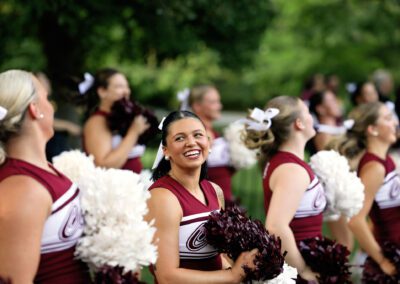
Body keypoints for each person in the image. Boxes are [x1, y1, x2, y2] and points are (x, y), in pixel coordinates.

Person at [146, 110, 257, 284]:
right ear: (165, 150)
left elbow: (217, 254)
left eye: (198, 135)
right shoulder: (163, 198)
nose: (191, 143)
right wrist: (231, 276)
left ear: (209, 142)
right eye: (179, 138)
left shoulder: (214, 190)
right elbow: (166, 276)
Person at [0, 70, 90, 283]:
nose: (52, 106)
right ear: (35, 109)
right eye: (47, 98)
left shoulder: (42, 169)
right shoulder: (23, 189)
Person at [244, 96, 326, 282]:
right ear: (299, 123)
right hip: (297, 264)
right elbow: (276, 226)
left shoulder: (284, 162)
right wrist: (303, 271)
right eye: (307, 112)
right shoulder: (292, 169)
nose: (312, 116)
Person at [331, 102, 399, 278]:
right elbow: (356, 220)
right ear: (373, 129)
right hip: (393, 257)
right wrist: (383, 260)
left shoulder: (385, 160)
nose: (395, 123)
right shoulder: (374, 167)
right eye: (388, 118)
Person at [80, 68, 149, 173]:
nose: (126, 91)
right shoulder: (97, 121)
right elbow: (103, 165)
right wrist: (133, 133)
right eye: (119, 87)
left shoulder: (119, 118)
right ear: (102, 92)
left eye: (127, 86)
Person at [186, 85, 235, 202]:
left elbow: (221, 172)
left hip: (224, 201)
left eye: (218, 101)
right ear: (197, 106)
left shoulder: (215, 134)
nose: (219, 106)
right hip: (208, 202)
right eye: (213, 102)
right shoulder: (196, 135)